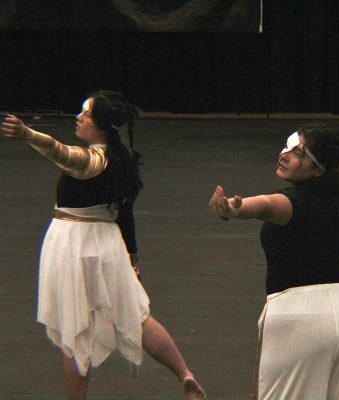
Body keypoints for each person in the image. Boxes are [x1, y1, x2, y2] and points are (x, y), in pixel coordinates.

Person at [2, 91, 206, 400]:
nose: (79, 118)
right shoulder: (124, 162)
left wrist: (27, 134)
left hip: (74, 243)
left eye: (86, 115)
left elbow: (62, 153)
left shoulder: (97, 160)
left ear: (101, 126)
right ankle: (184, 372)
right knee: (138, 316)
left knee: (74, 332)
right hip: (108, 242)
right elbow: (126, 217)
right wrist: (133, 260)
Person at [209, 127, 339, 400]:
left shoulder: (289, 203)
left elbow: (263, 205)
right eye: (290, 147)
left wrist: (233, 208)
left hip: (297, 323)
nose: (286, 155)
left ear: (317, 170)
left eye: (299, 153)